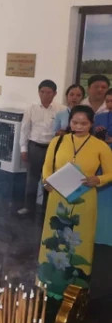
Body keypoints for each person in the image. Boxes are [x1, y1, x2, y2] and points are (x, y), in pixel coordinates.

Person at [39, 105, 112, 299]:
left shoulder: (100, 146)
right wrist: (46, 180)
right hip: (58, 195)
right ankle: (49, 282)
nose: (78, 126)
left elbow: (110, 172)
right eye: (74, 122)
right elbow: (47, 166)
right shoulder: (57, 141)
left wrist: (98, 180)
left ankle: (76, 285)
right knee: (54, 237)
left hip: (85, 197)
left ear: (92, 124)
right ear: (69, 121)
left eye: (83, 123)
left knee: (79, 240)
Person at [18, 79, 64, 216]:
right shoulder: (31, 108)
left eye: (49, 92)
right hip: (35, 147)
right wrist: (23, 149)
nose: (45, 95)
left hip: (53, 148)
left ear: (55, 93)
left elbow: (65, 129)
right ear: (38, 92)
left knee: (50, 178)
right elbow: (24, 130)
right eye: (42, 92)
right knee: (32, 178)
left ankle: (46, 209)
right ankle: (28, 207)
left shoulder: (61, 109)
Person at [92, 89, 112, 247]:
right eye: (108, 101)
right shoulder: (99, 117)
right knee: (100, 200)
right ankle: (98, 234)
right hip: (100, 161)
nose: (110, 104)